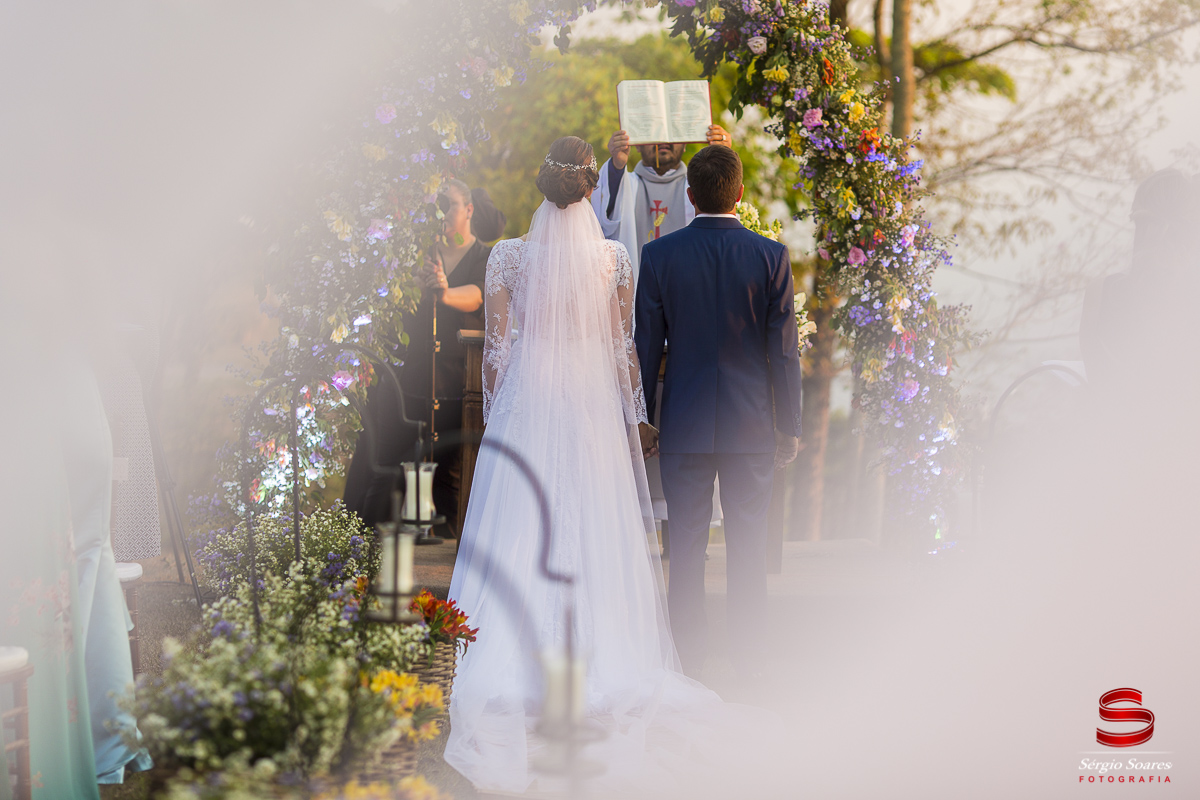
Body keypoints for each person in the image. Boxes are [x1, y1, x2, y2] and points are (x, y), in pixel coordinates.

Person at [445, 137, 779, 797]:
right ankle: (606, 652)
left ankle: (520, 651)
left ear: (541, 189)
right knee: (595, 518)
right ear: (587, 191)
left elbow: (499, 352)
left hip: (531, 398)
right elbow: (624, 349)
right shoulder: (613, 258)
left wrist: (500, 414)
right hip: (592, 405)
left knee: (523, 524)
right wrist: (635, 419)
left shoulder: (508, 256)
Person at [635, 145, 803, 679]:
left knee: (682, 547)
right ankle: (750, 655)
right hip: (751, 426)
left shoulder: (659, 257)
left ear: (689, 196)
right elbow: (784, 352)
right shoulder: (771, 256)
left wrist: (643, 417)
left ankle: (687, 657)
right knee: (749, 544)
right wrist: (790, 426)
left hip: (682, 423)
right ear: (741, 193)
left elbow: (645, 346)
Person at [343, 179, 490, 534]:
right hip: (407, 381)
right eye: (438, 206)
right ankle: (360, 553)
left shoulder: (484, 255)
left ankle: (443, 576)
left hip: (456, 383)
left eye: (451, 204)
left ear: (469, 209)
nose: (444, 214)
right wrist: (416, 282)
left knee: (448, 476)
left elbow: (478, 295)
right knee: (387, 466)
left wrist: (445, 292)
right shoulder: (420, 253)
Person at [590, 124, 733, 281]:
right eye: (654, 130)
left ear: (685, 144)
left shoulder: (698, 187)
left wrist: (722, 159)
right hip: (638, 293)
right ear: (637, 145)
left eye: (672, 132)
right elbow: (604, 221)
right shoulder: (625, 184)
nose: (663, 140)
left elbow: (722, 228)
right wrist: (616, 167)